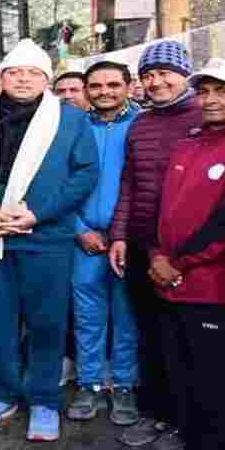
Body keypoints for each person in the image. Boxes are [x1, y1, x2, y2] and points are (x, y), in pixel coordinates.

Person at [0, 39, 99, 442]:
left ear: (46, 80)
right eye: (14, 72)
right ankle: (0, 393)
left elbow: (85, 174)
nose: (23, 79)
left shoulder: (71, 120)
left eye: (33, 73)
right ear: (1, 77)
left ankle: (43, 399)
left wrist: (38, 213)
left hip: (45, 236)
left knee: (46, 321)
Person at [147, 58, 225, 450]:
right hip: (170, 279)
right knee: (185, 373)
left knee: (215, 379)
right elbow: (166, 210)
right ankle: (197, 449)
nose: (210, 99)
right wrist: (157, 254)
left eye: (223, 90)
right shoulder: (190, 142)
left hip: (212, 283)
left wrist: (180, 262)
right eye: (205, 91)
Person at [106, 40, 202, 450]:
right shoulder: (141, 124)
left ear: (184, 75)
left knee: (188, 341)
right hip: (142, 244)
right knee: (151, 333)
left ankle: (189, 423)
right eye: (148, 75)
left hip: (187, 251)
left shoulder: (204, 116)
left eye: (165, 73)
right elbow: (129, 182)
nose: (156, 82)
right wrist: (120, 234)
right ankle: (157, 411)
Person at [66, 61, 140, 424]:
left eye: (113, 84)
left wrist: (126, 233)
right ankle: (90, 382)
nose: (104, 92)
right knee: (87, 316)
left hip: (128, 239)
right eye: (95, 86)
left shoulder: (142, 125)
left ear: (129, 86)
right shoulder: (72, 127)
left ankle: (124, 383)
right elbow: (58, 182)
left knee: (126, 315)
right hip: (84, 239)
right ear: (86, 90)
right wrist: (79, 229)